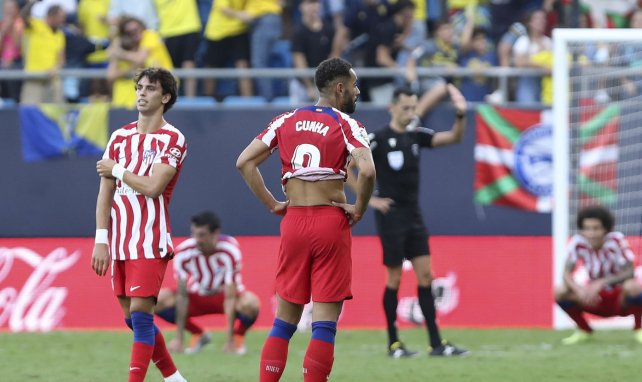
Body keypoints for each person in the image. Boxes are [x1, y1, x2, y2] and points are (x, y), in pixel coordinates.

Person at [236, 57, 375, 381]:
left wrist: (273, 203)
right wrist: (359, 208)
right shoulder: (347, 124)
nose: (357, 92)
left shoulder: (285, 120)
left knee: (284, 322)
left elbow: (244, 162)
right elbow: (366, 170)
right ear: (340, 88)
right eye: (354, 86)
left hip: (295, 221)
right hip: (330, 219)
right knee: (324, 322)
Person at [347, 86, 469, 358]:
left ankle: (436, 343)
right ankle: (394, 343)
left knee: (426, 275)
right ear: (392, 108)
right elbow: (347, 168)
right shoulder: (375, 139)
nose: (411, 112)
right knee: (394, 277)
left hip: (414, 214)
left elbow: (453, 138)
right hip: (390, 215)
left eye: (414, 107)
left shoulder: (416, 136)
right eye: (405, 108)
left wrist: (460, 116)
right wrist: (370, 201)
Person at [91, 67, 188, 382]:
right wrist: (101, 240)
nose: (142, 93)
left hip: (149, 238)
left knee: (142, 319)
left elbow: (153, 187)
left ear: (165, 97)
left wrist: (117, 169)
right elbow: (105, 193)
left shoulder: (173, 138)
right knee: (133, 321)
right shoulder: (119, 137)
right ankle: (174, 378)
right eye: (139, 88)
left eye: (150, 89)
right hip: (119, 242)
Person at [155, 211, 261, 355]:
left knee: (251, 303)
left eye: (202, 235)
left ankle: (236, 338)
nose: (197, 239)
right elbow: (182, 295)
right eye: (194, 234)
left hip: (225, 296)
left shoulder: (229, 250)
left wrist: (228, 340)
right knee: (157, 300)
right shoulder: (184, 252)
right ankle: (199, 334)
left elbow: (230, 297)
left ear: (215, 233)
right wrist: (179, 339)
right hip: (197, 295)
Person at [555, 205, 642, 345]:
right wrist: (580, 290)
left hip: (619, 299)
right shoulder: (577, 243)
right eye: (587, 229)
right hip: (594, 299)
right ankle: (584, 331)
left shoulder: (616, 241)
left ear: (605, 228)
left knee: (633, 286)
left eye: (596, 228)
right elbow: (566, 273)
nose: (592, 233)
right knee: (560, 291)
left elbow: (630, 272)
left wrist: (601, 282)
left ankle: (639, 330)